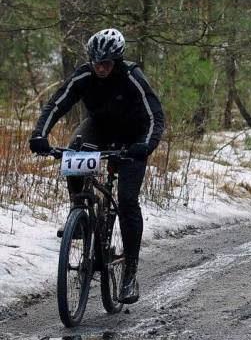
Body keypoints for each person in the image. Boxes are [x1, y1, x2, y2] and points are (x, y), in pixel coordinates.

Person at [29, 28, 165, 305]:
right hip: (100, 127)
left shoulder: (132, 77)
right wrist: (39, 135)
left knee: (127, 201)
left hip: (134, 136)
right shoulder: (84, 75)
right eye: (96, 63)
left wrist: (145, 146)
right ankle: (78, 209)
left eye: (106, 64)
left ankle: (129, 272)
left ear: (116, 61)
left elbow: (155, 116)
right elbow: (56, 104)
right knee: (73, 151)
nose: (100, 68)